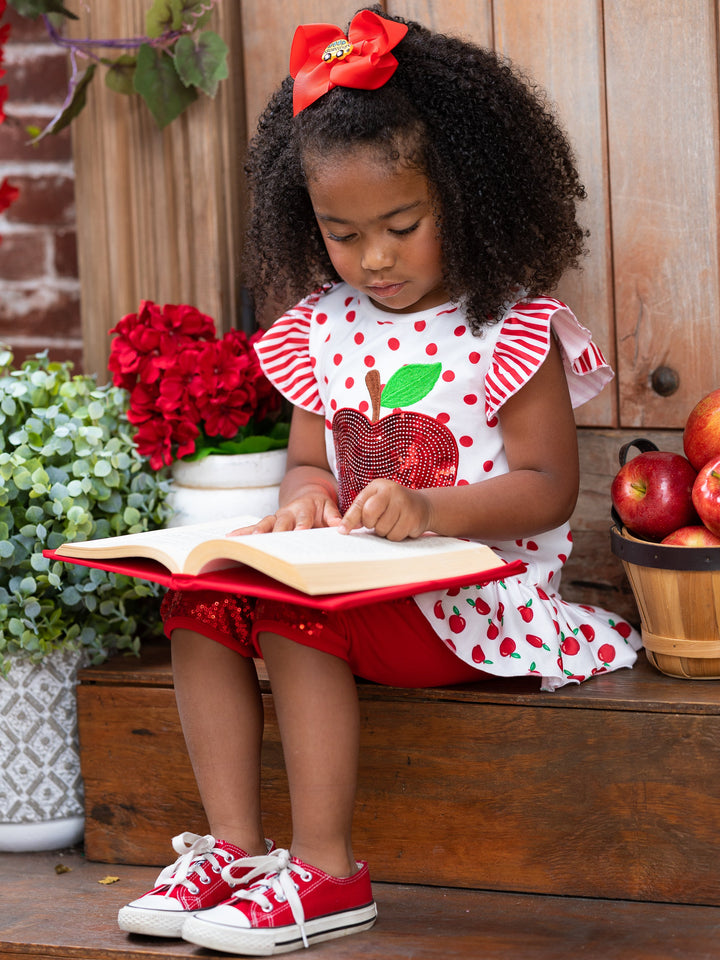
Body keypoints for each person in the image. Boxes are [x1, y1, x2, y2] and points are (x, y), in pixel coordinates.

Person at [117, 7, 641, 955]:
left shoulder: (510, 330)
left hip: (474, 601)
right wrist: (307, 498)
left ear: (470, 198)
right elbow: (312, 459)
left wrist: (428, 507)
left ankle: (326, 873)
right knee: (198, 603)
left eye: (402, 224)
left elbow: (548, 486)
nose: (376, 259)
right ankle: (233, 850)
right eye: (342, 233)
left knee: (291, 616)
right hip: (362, 590)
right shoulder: (322, 327)